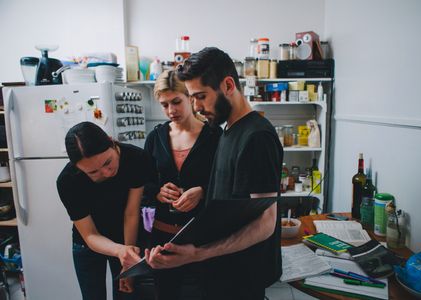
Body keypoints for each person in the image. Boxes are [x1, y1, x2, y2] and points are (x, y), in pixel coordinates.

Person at [145, 47, 283, 300]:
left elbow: (266, 222)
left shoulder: (257, 137)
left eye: (200, 96)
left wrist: (198, 253)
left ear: (228, 85)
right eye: (191, 97)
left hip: (242, 278)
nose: (196, 107)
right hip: (222, 273)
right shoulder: (229, 129)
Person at [143, 70, 222, 299]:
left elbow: (226, 181)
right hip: (162, 238)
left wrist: (203, 192)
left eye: (176, 102)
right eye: (164, 105)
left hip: (203, 237)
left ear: (190, 97)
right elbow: (143, 186)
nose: (171, 111)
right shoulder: (155, 137)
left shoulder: (214, 135)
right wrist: (157, 192)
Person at [56, 121, 152, 300]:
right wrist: (119, 251)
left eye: (108, 162)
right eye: (93, 172)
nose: (107, 173)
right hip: (89, 245)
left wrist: (128, 257)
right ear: (77, 168)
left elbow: (131, 213)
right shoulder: (67, 181)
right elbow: (90, 235)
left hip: (125, 235)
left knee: (126, 296)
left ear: (111, 141)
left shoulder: (136, 158)